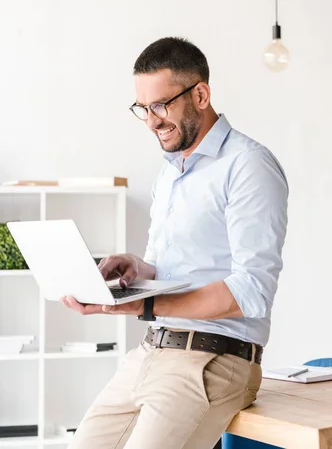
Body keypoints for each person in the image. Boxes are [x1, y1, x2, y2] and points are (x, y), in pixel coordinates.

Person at [62, 37, 288, 449]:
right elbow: (171, 267)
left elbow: (252, 291)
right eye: (142, 109)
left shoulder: (247, 165)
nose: (151, 121)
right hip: (150, 354)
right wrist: (138, 269)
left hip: (213, 360)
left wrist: (142, 305)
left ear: (200, 94)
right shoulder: (170, 173)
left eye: (160, 106)